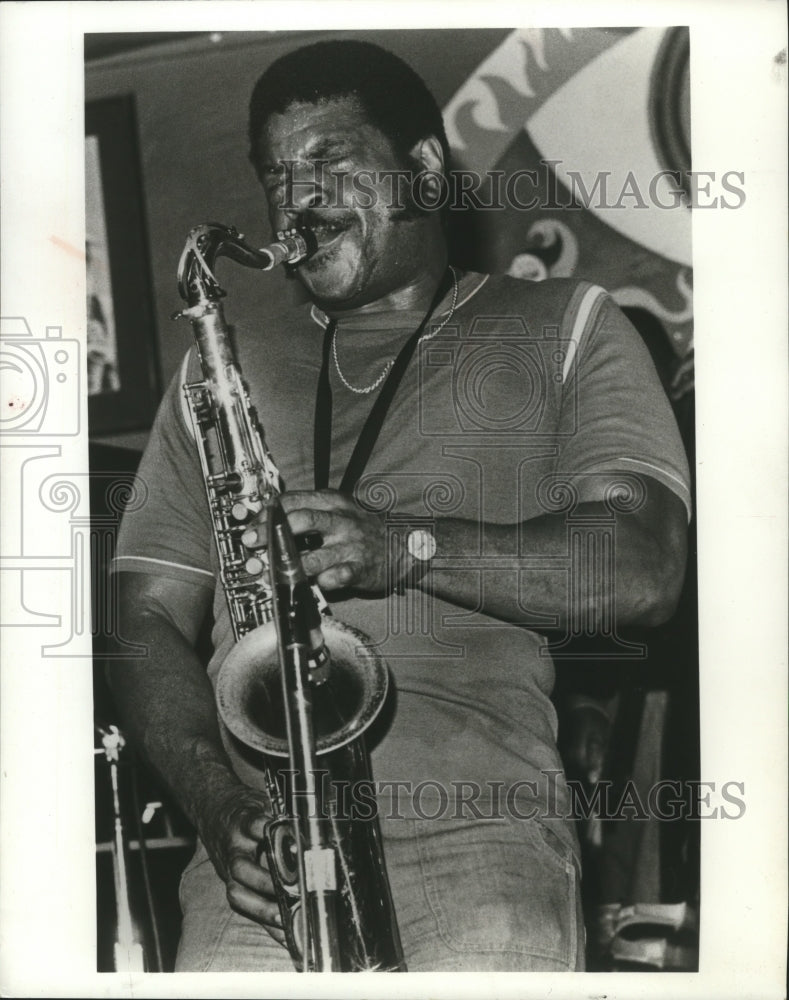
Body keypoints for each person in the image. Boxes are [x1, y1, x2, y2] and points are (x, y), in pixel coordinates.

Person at [108, 39, 690, 972]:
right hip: (263, 870)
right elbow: (140, 616)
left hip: (481, 843)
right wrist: (217, 807)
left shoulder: (568, 324)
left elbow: (644, 568)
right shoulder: (219, 369)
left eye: (330, 162)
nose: (298, 198)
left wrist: (406, 548)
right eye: (276, 175)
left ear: (422, 168)